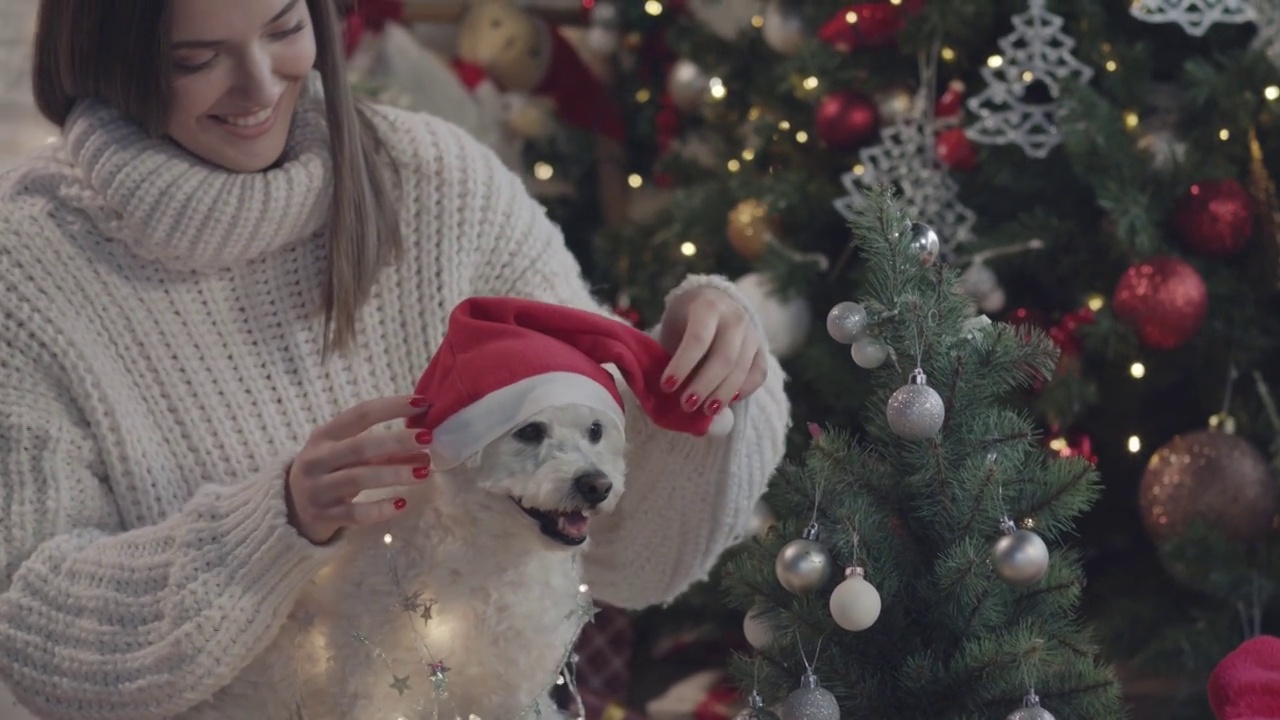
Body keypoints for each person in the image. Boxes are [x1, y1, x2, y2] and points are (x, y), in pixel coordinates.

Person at [0, 0, 790, 718]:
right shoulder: (32, 268)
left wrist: (708, 362)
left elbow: (632, 555)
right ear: (104, 57)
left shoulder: (438, 181)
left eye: (283, 28)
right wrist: (277, 522)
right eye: (194, 60)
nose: (258, 85)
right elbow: (31, 629)